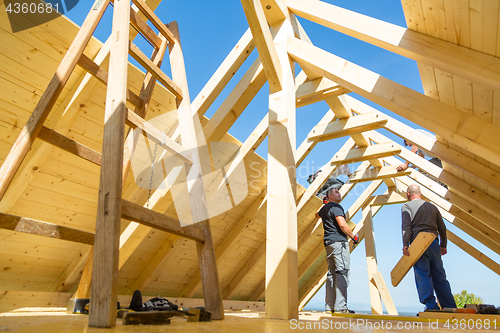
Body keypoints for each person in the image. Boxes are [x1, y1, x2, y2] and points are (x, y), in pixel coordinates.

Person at [401, 184, 456, 311]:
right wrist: (443, 245)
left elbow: (406, 227)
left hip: (418, 242)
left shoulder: (407, 206)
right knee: (440, 276)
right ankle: (449, 306)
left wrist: (405, 245)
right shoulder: (432, 207)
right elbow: (442, 228)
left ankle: (431, 306)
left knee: (422, 274)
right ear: (420, 194)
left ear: (408, 194)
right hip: (433, 242)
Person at [315, 187, 359, 314]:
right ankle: (341, 308)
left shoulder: (324, 209)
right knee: (342, 273)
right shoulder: (336, 207)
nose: (339, 193)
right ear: (330, 197)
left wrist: (324, 204)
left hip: (328, 243)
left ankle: (329, 307)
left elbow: (316, 215)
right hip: (339, 243)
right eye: (335, 192)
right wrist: (353, 237)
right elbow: (342, 224)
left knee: (331, 274)